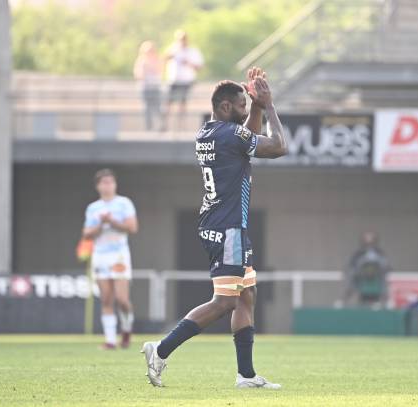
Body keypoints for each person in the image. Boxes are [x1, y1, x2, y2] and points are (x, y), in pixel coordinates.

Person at [141, 67, 287, 389]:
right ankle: (160, 350)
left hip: (223, 224)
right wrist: (270, 105)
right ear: (224, 108)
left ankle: (246, 376)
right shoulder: (230, 135)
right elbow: (278, 147)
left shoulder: (209, 132)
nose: (246, 109)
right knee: (225, 302)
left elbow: (245, 138)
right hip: (229, 228)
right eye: (242, 105)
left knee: (246, 295)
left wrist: (256, 106)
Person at [82, 169, 139, 349]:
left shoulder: (124, 203)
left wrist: (112, 221)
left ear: (115, 184)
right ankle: (110, 340)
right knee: (106, 299)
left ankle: (127, 329)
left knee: (122, 299)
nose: (108, 186)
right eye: (104, 182)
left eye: (111, 182)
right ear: (98, 186)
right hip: (100, 256)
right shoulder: (93, 208)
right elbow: (87, 233)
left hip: (119, 255)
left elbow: (132, 227)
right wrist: (101, 224)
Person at [163, 30, 204, 131]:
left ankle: (180, 127)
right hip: (173, 80)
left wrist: (188, 63)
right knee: (168, 103)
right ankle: (164, 125)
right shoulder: (173, 49)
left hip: (186, 81)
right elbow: (164, 58)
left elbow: (199, 66)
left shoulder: (192, 51)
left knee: (182, 104)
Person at [342, 232, 391, 308]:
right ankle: (343, 300)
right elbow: (351, 265)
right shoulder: (358, 253)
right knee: (351, 277)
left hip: (377, 280)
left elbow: (386, 265)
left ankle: (386, 302)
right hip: (361, 279)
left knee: (384, 280)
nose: (369, 243)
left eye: (371, 240)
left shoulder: (379, 253)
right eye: (367, 240)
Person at [133, 41, 163, 131]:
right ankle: (148, 127)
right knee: (146, 108)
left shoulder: (157, 60)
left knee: (157, 107)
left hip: (155, 87)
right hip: (145, 88)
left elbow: (160, 71)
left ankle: (161, 126)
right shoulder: (141, 61)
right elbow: (138, 75)